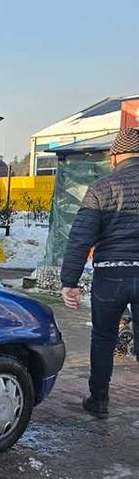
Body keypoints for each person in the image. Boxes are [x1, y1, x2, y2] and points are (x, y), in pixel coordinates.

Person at [61, 126, 139, 418]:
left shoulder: (101, 187)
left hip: (111, 276)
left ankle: (99, 400)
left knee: (104, 338)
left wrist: (70, 281)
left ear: (115, 155)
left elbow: (80, 237)